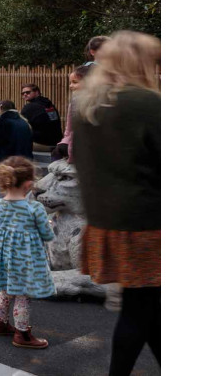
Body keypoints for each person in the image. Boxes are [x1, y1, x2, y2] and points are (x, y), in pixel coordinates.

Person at [72, 31, 160, 374]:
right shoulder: (147, 103)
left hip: (109, 222)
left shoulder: (88, 106)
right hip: (149, 224)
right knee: (142, 309)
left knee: (145, 307)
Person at [0, 156, 56, 350]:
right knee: (23, 296)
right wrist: (49, 225)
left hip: (6, 258)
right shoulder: (34, 207)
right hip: (26, 260)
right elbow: (46, 234)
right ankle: (22, 334)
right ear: (28, 184)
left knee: (6, 291)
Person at [0, 101, 33, 174]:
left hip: (7, 161)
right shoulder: (25, 123)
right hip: (25, 159)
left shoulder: (2, 122)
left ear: (1, 107)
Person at [55, 64, 92, 161]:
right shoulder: (74, 102)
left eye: (75, 82)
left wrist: (71, 156)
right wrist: (64, 142)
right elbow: (69, 129)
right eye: (70, 82)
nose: (70, 86)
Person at [19, 84, 61, 153]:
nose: (25, 95)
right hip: (56, 142)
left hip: (42, 144)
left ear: (37, 92)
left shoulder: (29, 107)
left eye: (28, 92)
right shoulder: (49, 105)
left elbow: (20, 126)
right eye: (23, 93)